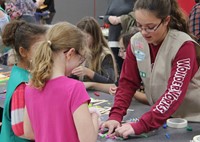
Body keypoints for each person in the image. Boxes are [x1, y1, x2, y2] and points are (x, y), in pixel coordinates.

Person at [101, 0, 200, 138]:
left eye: (150, 27)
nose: (144, 32)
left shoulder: (183, 45)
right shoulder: (136, 42)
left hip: (193, 120)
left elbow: (173, 93)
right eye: (139, 25)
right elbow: (127, 83)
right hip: (162, 118)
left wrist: (142, 125)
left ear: (166, 21)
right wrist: (115, 116)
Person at [23, 22, 100, 142]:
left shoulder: (32, 85)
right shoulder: (75, 88)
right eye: (80, 60)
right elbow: (88, 140)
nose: (79, 65)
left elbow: (28, 132)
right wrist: (94, 117)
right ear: (70, 54)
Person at [0, 20, 47, 142]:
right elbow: (21, 130)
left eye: (46, 47)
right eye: (39, 48)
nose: (45, 52)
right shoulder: (22, 85)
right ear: (23, 52)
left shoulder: (21, 71)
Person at [84, 32, 148, 105]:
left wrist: (127, 91)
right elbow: (114, 86)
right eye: (120, 49)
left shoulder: (146, 69)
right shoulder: (128, 68)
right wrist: (91, 85)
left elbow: (152, 99)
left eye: (123, 50)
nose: (120, 54)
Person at [72, 16, 118, 83]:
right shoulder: (78, 51)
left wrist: (89, 73)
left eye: (86, 37)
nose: (83, 40)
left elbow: (110, 80)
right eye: (80, 36)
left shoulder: (104, 54)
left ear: (95, 36)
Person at [103, 0, 137, 73]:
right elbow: (105, 16)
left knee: (126, 66)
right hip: (112, 40)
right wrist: (109, 19)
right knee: (115, 65)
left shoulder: (136, 2)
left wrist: (120, 19)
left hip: (126, 40)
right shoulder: (114, 1)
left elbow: (137, 14)